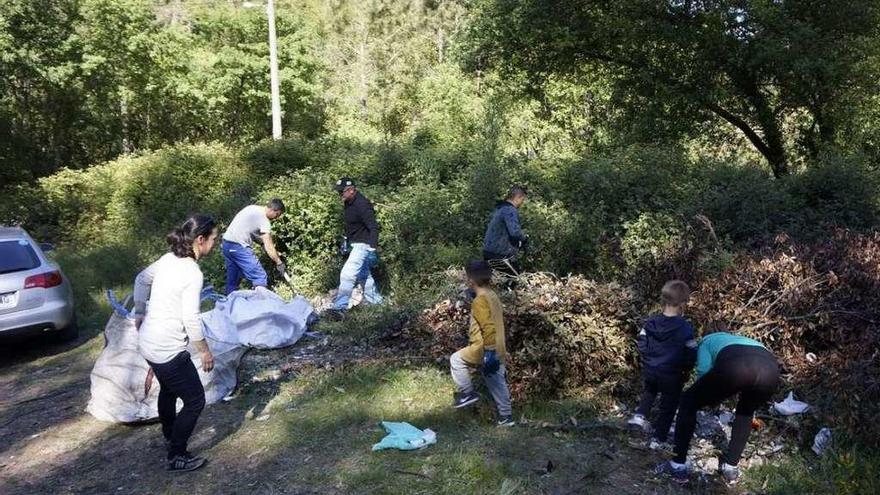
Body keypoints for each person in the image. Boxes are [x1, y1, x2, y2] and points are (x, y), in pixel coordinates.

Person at [133, 215, 219, 473]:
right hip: (166, 350)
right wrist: (204, 351)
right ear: (200, 240)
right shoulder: (192, 272)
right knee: (195, 401)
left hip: (148, 343)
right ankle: (177, 455)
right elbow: (191, 318)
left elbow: (140, 279)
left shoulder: (168, 259)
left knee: (169, 391)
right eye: (214, 239)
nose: (215, 244)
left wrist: (139, 312)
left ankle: (170, 435)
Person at [655, 324, 780, 484]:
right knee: (745, 412)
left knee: (688, 402)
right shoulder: (739, 339)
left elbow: (704, 372)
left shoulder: (707, 341)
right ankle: (731, 468)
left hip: (738, 367)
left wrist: (708, 399)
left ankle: (677, 464)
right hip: (770, 371)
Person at [627, 280, 697, 449]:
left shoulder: (650, 322)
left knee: (649, 391)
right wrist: (686, 368)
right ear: (682, 304)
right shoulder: (685, 328)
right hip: (672, 373)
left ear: (663, 300)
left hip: (651, 368)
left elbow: (641, 341)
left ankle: (639, 416)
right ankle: (658, 439)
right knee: (669, 405)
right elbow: (691, 352)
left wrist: (648, 357)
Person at [450, 261, 514, 427]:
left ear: (471, 281)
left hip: (483, 347)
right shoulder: (492, 295)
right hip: (499, 346)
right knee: (495, 380)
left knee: (456, 360)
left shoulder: (479, 301)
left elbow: (488, 327)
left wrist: (489, 352)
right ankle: (506, 417)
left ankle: (468, 393)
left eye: (466, 278)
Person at [327, 177, 383, 315]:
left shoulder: (362, 204)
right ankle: (377, 304)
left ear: (351, 190)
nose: (340, 195)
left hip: (363, 244)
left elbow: (373, 226)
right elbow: (352, 224)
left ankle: (339, 307)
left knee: (347, 274)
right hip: (355, 243)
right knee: (365, 276)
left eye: (342, 192)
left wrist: (373, 248)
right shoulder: (349, 202)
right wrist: (347, 241)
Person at [221, 199, 286, 295]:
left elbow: (251, 232)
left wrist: (272, 252)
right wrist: (279, 263)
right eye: (277, 215)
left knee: (233, 280)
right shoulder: (264, 220)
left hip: (227, 244)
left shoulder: (252, 208)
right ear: (272, 210)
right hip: (238, 246)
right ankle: (261, 305)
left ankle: (228, 305)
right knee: (259, 276)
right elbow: (268, 245)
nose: (276, 218)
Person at [482, 186, 528, 277]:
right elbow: (515, 232)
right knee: (514, 280)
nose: (522, 203)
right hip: (500, 255)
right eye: (522, 199)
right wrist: (524, 239)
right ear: (517, 197)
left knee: (495, 284)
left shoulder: (500, 208)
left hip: (489, 252)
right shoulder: (510, 210)